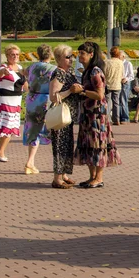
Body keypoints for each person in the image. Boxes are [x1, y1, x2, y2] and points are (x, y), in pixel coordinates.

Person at [73, 41, 121, 188]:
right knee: (88, 144)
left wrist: (81, 91)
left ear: (91, 54)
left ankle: (99, 178)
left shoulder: (95, 71)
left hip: (97, 115)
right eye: (79, 53)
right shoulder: (86, 71)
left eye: (83, 53)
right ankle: (92, 176)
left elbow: (100, 95)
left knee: (97, 145)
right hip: (87, 114)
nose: (79, 56)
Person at [48, 44, 80, 189]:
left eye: (72, 56)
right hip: (60, 116)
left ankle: (65, 174)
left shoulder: (70, 72)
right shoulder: (59, 73)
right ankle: (57, 178)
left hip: (69, 116)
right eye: (68, 57)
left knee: (67, 146)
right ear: (59, 59)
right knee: (60, 146)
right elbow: (54, 97)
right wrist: (70, 91)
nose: (71, 59)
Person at [22, 44, 57, 174]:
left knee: (33, 130)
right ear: (51, 54)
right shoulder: (54, 69)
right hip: (46, 100)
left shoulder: (32, 67)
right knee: (53, 130)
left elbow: (23, 73)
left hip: (32, 99)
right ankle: (57, 163)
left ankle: (30, 161)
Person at [0, 45, 28, 162]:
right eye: (13, 54)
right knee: (7, 126)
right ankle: (0, 151)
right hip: (5, 101)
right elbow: (0, 74)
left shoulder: (20, 67)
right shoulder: (4, 67)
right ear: (7, 56)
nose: (15, 56)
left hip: (16, 101)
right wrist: (4, 71)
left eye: (17, 54)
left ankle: (0, 151)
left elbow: (26, 87)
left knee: (11, 127)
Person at [104, 46, 123, 125]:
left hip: (108, 84)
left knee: (106, 102)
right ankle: (117, 119)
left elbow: (104, 73)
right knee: (116, 102)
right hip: (117, 85)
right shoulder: (120, 62)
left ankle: (106, 119)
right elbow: (122, 74)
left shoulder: (107, 62)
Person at [119, 52, 134, 124]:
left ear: (123, 57)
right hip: (118, 83)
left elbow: (131, 76)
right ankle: (118, 117)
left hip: (125, 83)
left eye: (119, 56)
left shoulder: (128, 64)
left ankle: (125, 118)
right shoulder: (117, 63)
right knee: (117, 101)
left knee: (123, 100)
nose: (118, 58)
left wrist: (126, 79)